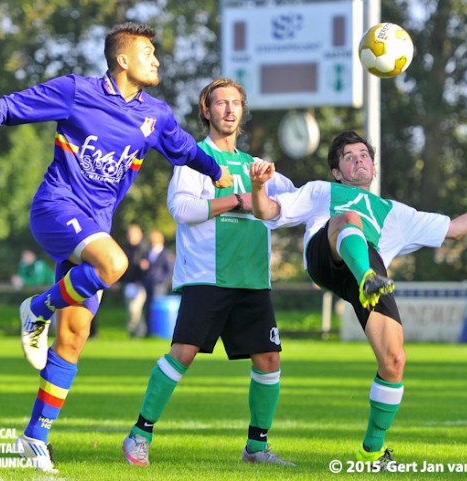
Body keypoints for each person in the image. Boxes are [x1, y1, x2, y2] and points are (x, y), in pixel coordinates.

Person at [0, 22, 232, 473]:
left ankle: (34, 437)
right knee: (114, 262)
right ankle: (37, 309)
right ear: (122, 59)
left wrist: (216, 170)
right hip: (55, 210)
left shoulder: (157, 115)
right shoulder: (76, 91)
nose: (157, 61)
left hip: (94, 227)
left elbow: (184, 149)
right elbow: (11, 106)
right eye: (149, 53)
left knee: (74, 336)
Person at [249, 130, 467, 468]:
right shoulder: (321, 190)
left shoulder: (397, 213)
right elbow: (267, 211)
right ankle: (367, 278)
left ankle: (372, 452)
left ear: (373, 167)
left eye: (363, 155)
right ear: (338, 172)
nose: (359, 160)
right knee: (349, 220)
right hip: (327, 255)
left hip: (371, 270)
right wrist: (257, 187)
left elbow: (455, 228)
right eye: (349, 157)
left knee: (395, 361)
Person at [122, 78, 296, 467]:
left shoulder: (257, 167)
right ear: (207, 110)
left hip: (253, 280)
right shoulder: (195, 158)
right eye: (221, 103)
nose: (230, 110)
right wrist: (237, 198)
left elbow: (293, 204)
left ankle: (256, 448)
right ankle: (138, 435)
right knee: (182, 354)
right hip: (207, 276)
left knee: (268, 360)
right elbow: (181, 209)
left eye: (236, 103)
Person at [142, 229, 174, 333]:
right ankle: (149, 331)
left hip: (159, 284)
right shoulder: (147, 252)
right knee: (147, 307)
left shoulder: (166, 253)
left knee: (156, 307)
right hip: (148, 283)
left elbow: (169, 270)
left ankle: (157, 330)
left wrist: (163, 282)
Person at [119, 224, 149, 337]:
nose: (130, 236)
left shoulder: (145, 249)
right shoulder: (125, 248)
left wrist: (142, 277)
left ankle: (131, 329)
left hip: (140, 285)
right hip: (128, 285)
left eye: (133, 234)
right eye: (129, 234)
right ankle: (140, 332)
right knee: (134, 311)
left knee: (134, 309)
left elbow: (150, 269)